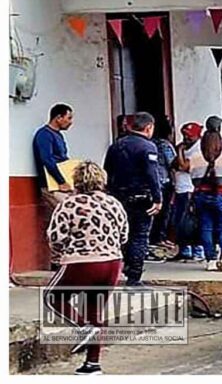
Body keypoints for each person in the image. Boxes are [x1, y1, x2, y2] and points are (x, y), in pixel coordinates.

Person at [44, 161, 128, 375]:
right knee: (95, 309)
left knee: (53, 297)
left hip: (81, 262)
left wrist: (61, 252)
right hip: (112, 263)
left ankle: (83, 328)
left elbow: (55, 237)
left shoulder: (69, 204)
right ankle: (92, 364)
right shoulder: (114, 203)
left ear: (77, 181)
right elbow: (124, 235)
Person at [104, 112, 162, 286]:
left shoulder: (116, 145)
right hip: (141, 198)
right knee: (139, 235)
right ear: (148, 127)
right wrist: (158, 198)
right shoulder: (148, 147)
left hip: (117, 198)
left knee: (120, 235)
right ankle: (134, 277)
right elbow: (152, 175)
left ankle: (116, 272)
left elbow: (107, 171)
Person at [189, 116, 222, 271]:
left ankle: (211, 260)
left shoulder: (195, 158)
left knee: (206, 227)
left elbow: (194, 180)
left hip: (202, 196)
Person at [171, 121, 205, 261]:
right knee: (179, 222)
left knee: (191, 222)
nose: (185, 138)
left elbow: (184, 167)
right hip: (180, 189)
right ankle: (185, 250)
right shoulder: (187, 148)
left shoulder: (198, 148)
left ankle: (198, 251)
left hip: (190, 189)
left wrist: (179, 151)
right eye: (184, 135)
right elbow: (173, 164)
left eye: (189, 135)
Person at [33, 103, 75, 211]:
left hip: (62, 183)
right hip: (51, 184)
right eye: (69, 118)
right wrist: (61, 181)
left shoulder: (58, 135)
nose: (71, 122)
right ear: (58, 118)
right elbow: (47, 159)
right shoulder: (44, 135)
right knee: (65, 212)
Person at [149, 115, 177, 250]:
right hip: (165, 181)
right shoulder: (164, 145)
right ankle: (160, 237)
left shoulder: (150, 143)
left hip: (152, 181)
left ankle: (154, 238)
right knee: (164, 212)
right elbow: (173, 164)